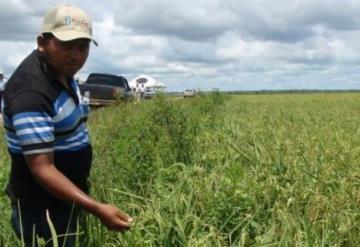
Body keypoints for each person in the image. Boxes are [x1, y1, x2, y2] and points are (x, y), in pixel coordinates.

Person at [2, 4, 132, 246]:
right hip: (41, 209)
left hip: (64, 200)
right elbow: (42, 168)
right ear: (42, 42)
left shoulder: (61, 72)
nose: (76, 54)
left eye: (82, 46)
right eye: (66, 45)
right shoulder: (30, 92)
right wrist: (97, 209)